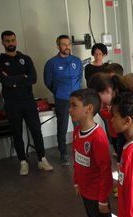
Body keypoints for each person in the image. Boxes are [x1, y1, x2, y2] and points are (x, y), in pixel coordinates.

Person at [69, 88, 126, 217]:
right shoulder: (77, 132)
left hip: (97, 193)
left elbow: (105, 171)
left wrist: (103, 199)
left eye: (74, 106)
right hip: (85, 190)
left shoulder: (98, 137)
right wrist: (77, 183)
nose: (70, 110)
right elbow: (77, 160)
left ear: (88, 109)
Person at [0, 30, 53, 176]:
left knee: (36, 130)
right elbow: (5, 81)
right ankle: (23, 162)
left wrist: (13, 81)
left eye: (13, 40)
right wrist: (22, 76)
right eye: (7, 41)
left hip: (28, 101)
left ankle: (42, 159)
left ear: (16, 41)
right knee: (17, 133)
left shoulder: (25, 58)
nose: (11, 43)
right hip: (12, 103)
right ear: (2, 42)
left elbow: (33, 79)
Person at [44, 35, 82, 166]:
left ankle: (79, 150)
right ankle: (63, 153)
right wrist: (58, 91)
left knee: (78, 126)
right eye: (64, 44)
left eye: (69, 44)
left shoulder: (77, 61)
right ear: (58, 46)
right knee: (63, 127)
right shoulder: (51, 63)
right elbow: (48, 82)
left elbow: (79, 78)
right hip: (62, 99)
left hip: (77, 99)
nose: (67, 46)